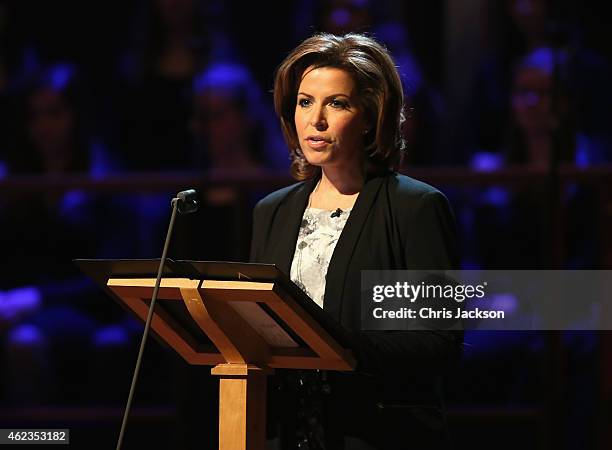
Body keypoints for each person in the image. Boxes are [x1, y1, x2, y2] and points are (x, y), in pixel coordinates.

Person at [249, 33, 462, 450]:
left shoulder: (414, 208)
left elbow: (438, 342)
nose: (316, 120)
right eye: (305, 102)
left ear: (370, 116)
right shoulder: (270, 211)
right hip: (286, 430)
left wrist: (333, 345)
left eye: (337, 103)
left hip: (373, 432)